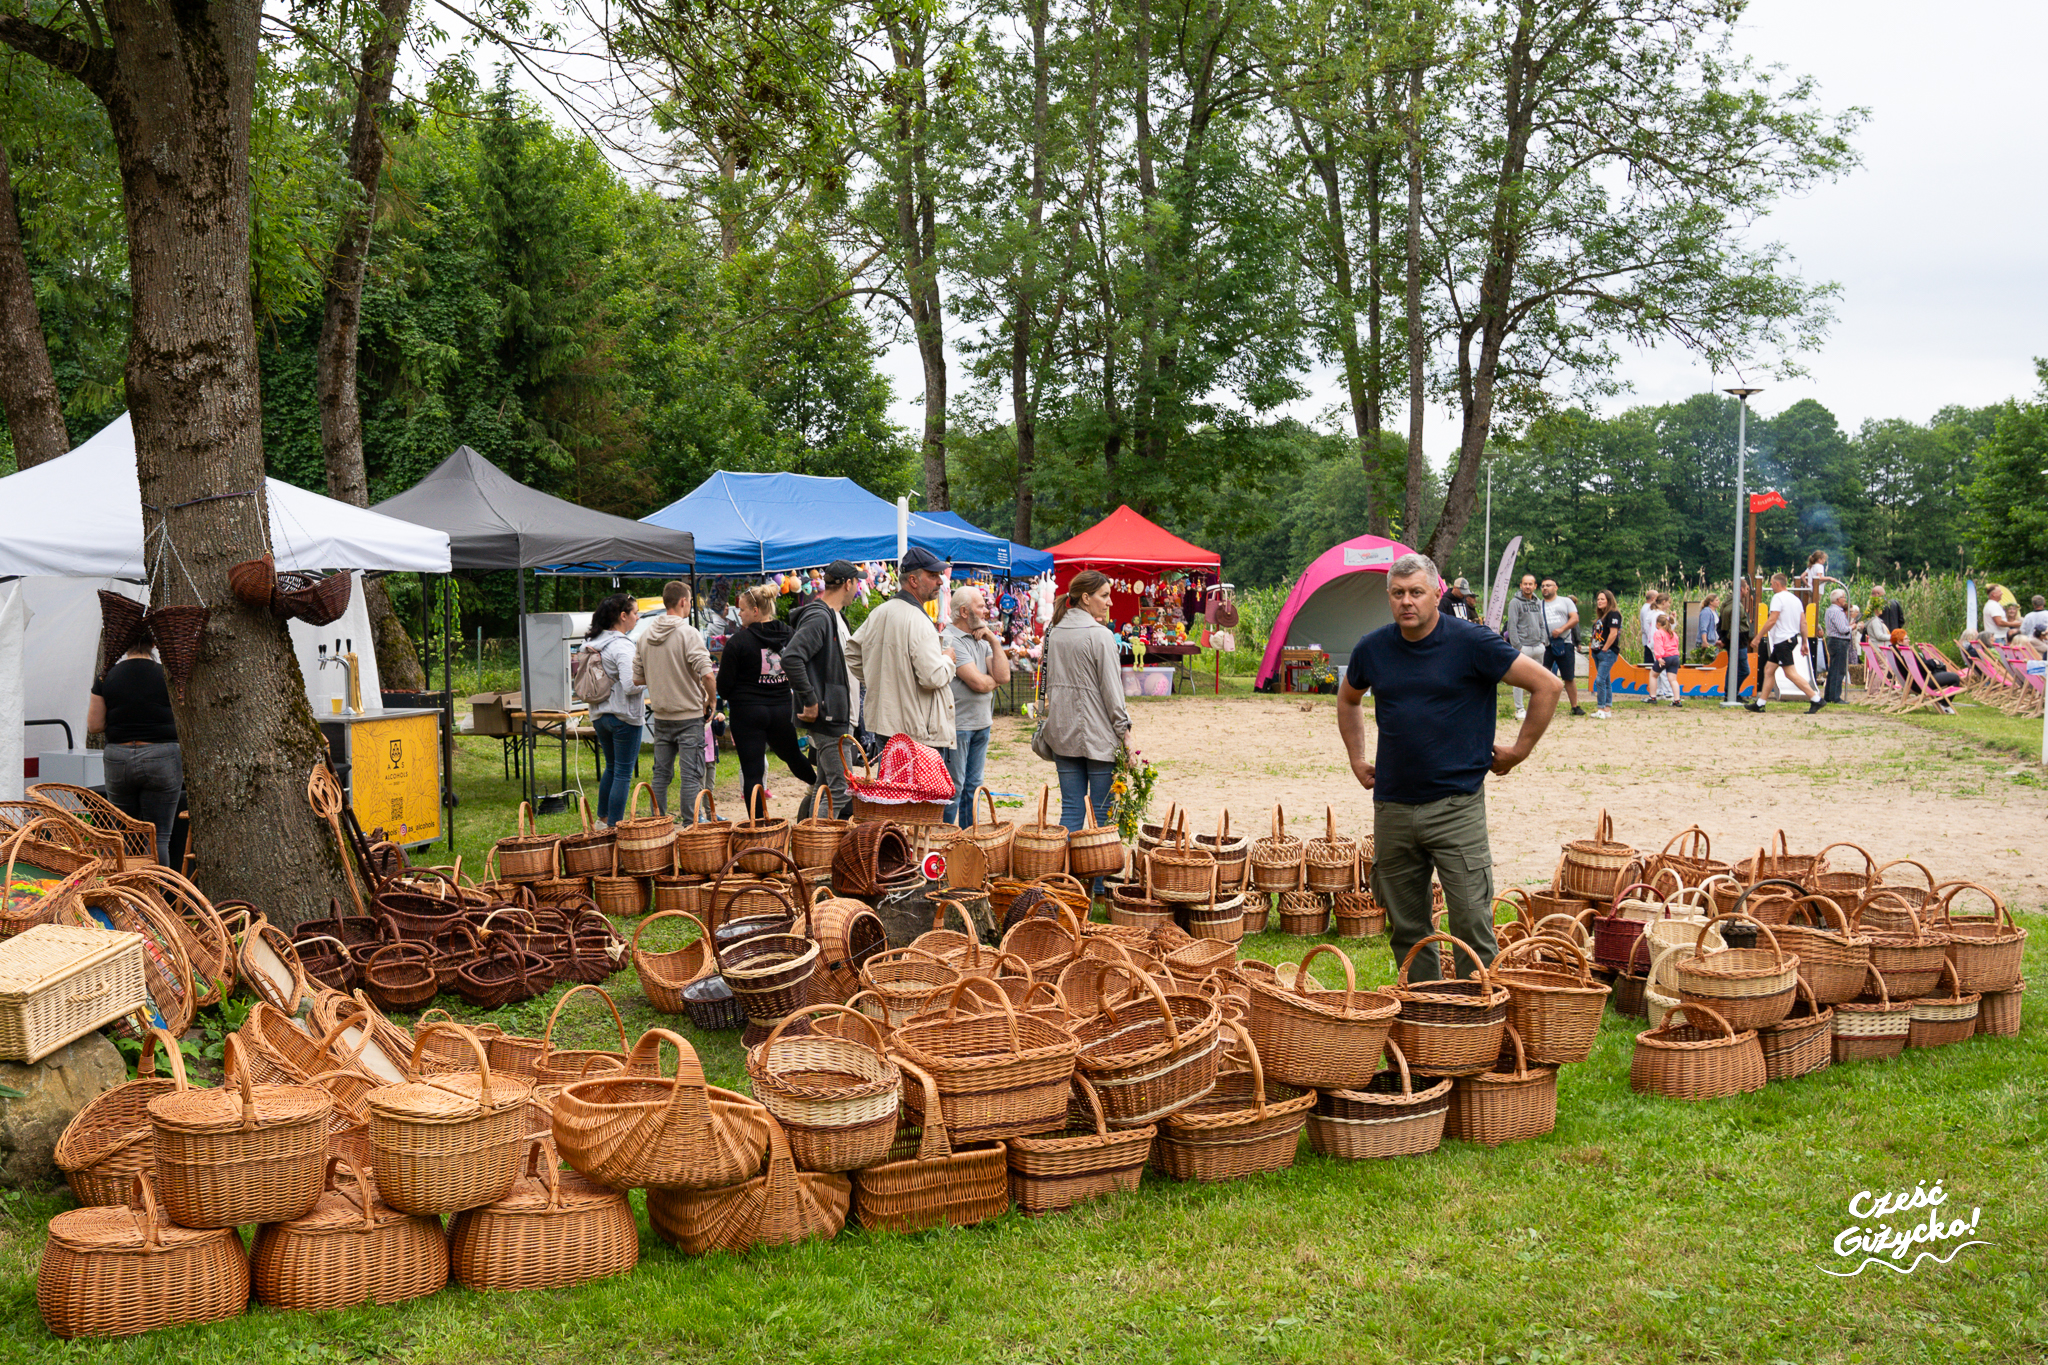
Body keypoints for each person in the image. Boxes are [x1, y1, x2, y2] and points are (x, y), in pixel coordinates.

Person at [1336, 553, 1561, 983]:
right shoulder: (1373, 648)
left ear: (1437, 593)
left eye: (1416, 592)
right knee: (1407, 929)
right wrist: (1357, 758)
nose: (1407, 602)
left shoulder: (1472, 642)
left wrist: (1518, 751)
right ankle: (1425, 1016)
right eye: (1399, 593)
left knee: (1472, 924)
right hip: (1394, 808)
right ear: (1389, 596)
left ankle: (1476, 1020)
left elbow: (1547, 686)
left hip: (1456, 808)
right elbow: (1348, 699)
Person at [1036, 570, 1131, 836]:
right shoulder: (1100, 636)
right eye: (1105, 595)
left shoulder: (1054, 632)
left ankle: (1066, 874)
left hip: (1062, 734)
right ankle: (1098, 879)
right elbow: (1114, 694)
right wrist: (1126, 733)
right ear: (1086, 598)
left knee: (1071, 809)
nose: (1110, 602)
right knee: (1102, 814)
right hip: (1098, 738)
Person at [846, 545, 958, 754]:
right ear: (913, 580)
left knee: (890, 786)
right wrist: (948, 659)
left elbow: (852, 652)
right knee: (914, 788)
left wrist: (882, 681)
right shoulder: (918, 621)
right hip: (916, 733)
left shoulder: (880, 612)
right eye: (933, 575)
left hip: (887, 726)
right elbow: (932, 676)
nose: (940, 581)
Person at [717, 584, 817, 816]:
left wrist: (740, 699)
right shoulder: (789, 635)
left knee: (752, 772)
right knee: (793, 755)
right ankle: (824, 789)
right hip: (782, 709)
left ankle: (759, 826)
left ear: (754, 610)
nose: (738, 614)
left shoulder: (738, 642)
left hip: (748, 713)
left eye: (741, 609)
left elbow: (724, 686)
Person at [87, 625, 180, 865]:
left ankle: (128, 896)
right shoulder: (168, 673)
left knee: (126, 835)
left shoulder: (105, 676)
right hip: (162, 756)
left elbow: (95, 725)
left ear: (123, 643)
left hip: (118, 758)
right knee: (159, 837)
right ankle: (157, 897)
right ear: (155, 644)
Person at [783, 560, 862, 818]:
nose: (859, 587)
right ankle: (819, 843)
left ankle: (809, 841)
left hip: (837, 717)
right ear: (848, 584)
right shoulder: (819, 616)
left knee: (825, 787)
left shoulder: (836, 617)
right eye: (857, 582)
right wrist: (810, 699)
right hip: (830, 719)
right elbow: (792, 657)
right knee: (841, 789)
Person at [635, 580, 715, 821]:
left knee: (660, 775)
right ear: (682, 602)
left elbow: (637, 678)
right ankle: (691, 829)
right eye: (690, 601)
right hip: (689, 715)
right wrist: (712, 700)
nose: (690, 606)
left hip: (661, 715)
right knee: (690, 775)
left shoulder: (645, 635)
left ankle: (657, 826)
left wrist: (662, 676)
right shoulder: (688, 633)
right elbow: (708, 674)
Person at [942, 585, 1011, 824]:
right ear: (964, 611)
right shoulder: (950, 639)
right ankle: (947, 838)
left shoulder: (981, 639)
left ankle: (968, 840)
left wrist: (993, 640)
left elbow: (1003, 677)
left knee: (973, 786)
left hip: (982, 723)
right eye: (981, 606)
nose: (986, 611)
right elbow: (978, 683)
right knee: (954, 787)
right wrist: (991, 681)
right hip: (959, 726)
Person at [581, 594, 645, 826]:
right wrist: (653, 679)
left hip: (599, 715)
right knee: (623, 773)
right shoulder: (622, 646)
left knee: (611, 767)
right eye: (635, 613)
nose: (637, 617)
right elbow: (630, 686)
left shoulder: (591, 642)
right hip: (624, 717)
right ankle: (614, 827)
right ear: (623, 616)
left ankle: (603, 820)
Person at [1749, 572, 1824, 714]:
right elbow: (1803, 622)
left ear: (1777, 584)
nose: (1771, 587)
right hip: (1792, 639)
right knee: (1769, 670)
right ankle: (1760, 703)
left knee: (1790, 673)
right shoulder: (1796, 600)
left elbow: (1772, 619)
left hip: (1782, 640)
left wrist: (1758, 637)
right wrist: (1804, 642)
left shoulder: (1778, 598)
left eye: (1771, 584)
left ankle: (1816, 699)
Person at [1503, 575, 1548, 721]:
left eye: (1530, 584)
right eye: (1525, 584)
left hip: (1538, 646)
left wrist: (1543, 642)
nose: (1527, 586)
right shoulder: (1515, 603)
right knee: (1519, 679)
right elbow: (1512, 626)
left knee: (1538, 679)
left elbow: (1541, 623)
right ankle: (1520, 708)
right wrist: (1518, 646)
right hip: (1523, 647)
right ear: (1520, 585)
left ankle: (1535, 708)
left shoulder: (1538, 602)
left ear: (1535, 586)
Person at [1539, 578, 1585, 717]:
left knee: (1569, 677)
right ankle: (1543, 706)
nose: (1545, 588)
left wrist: (1561, 629)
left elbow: (1575, 619)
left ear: (1556, 588)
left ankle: (1575, 706)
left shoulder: (1566, 601)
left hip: (1564, 643)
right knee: (1543, 676)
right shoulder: (1538, 604)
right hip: (1545, 645)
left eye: (1548, 585)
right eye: (1543, 586)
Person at [1589, 589, 1622, 719]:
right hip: (1597, 651)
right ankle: (1607, 708)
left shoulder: (1613, 614)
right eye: (1598, 599)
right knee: (1606, 680)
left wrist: (1605, 648)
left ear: (1609, 600)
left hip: (1607, 652)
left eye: (1602, 599)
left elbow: (1613, 633)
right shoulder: (1601, 616)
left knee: (1600, 680)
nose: (1599, 601)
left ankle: (1601, 708)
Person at [1822, 588, 1856, 705]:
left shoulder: (1830, 610)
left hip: (1834, 640)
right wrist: (1852, 627)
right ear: (1838, 599)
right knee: (1839, 670)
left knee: (1833, 670)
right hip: (1839, 641)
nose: (1845, 600)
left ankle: (1829, 695)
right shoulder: (1837, 611)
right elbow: (1843, 630)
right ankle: (1835, 697)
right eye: (1843, 598)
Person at [1637, 590, 1664, 704]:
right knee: (1653, 665)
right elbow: (1648, 627)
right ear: (1653, 598)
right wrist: (1652, 639)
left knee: (1652, 664)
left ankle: (1657, 689)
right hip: (1652, 640)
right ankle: (1657, 689)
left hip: (1649, 640)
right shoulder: (1649, 609)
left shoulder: (1645, 608)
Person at [1652, 613, 1683, 707]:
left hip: (1665, 657)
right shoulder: (1673, 633)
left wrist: (1659, 658)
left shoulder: (1658, 632)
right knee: (1673, 680)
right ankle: (1677, 700)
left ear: (1658, 624)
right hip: (1675, 657)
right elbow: (1676, 645)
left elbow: (1658, 646)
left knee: (1653, 675)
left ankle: (1653, 697)